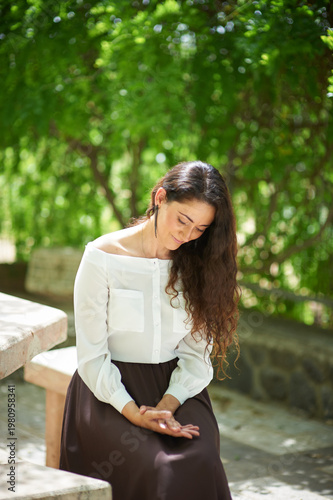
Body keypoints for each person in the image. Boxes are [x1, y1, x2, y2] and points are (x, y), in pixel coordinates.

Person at [60, 160, 240, 500]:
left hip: (178, 390)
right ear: (160, 198)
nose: (187, 235)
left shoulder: (199, 264)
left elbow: (196, 355)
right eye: (183, 220)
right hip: (109, 393)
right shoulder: (101, 258)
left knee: (200, 458)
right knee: (159, 466)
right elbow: (92, 357)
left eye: (201, 228)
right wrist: (136, 414)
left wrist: (168, 404)